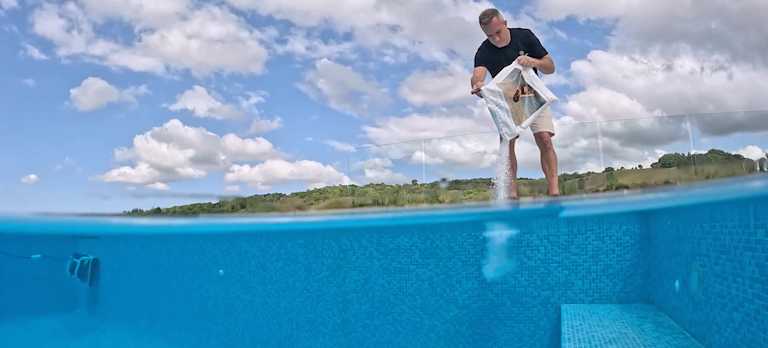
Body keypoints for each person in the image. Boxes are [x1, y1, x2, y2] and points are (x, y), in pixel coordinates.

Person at [470, 8, 559, 198]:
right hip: (505, 101)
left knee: (544, 138)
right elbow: (477, 75)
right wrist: (478, 85)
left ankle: (554, 192)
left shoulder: (525, 36)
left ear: (505, 23)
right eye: (490, 35)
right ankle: (512, 195)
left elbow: (550, 67)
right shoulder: (483, 50)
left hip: (532, 94)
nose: (495, 39)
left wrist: (533, 61)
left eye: (498, 32)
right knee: (508, 143)